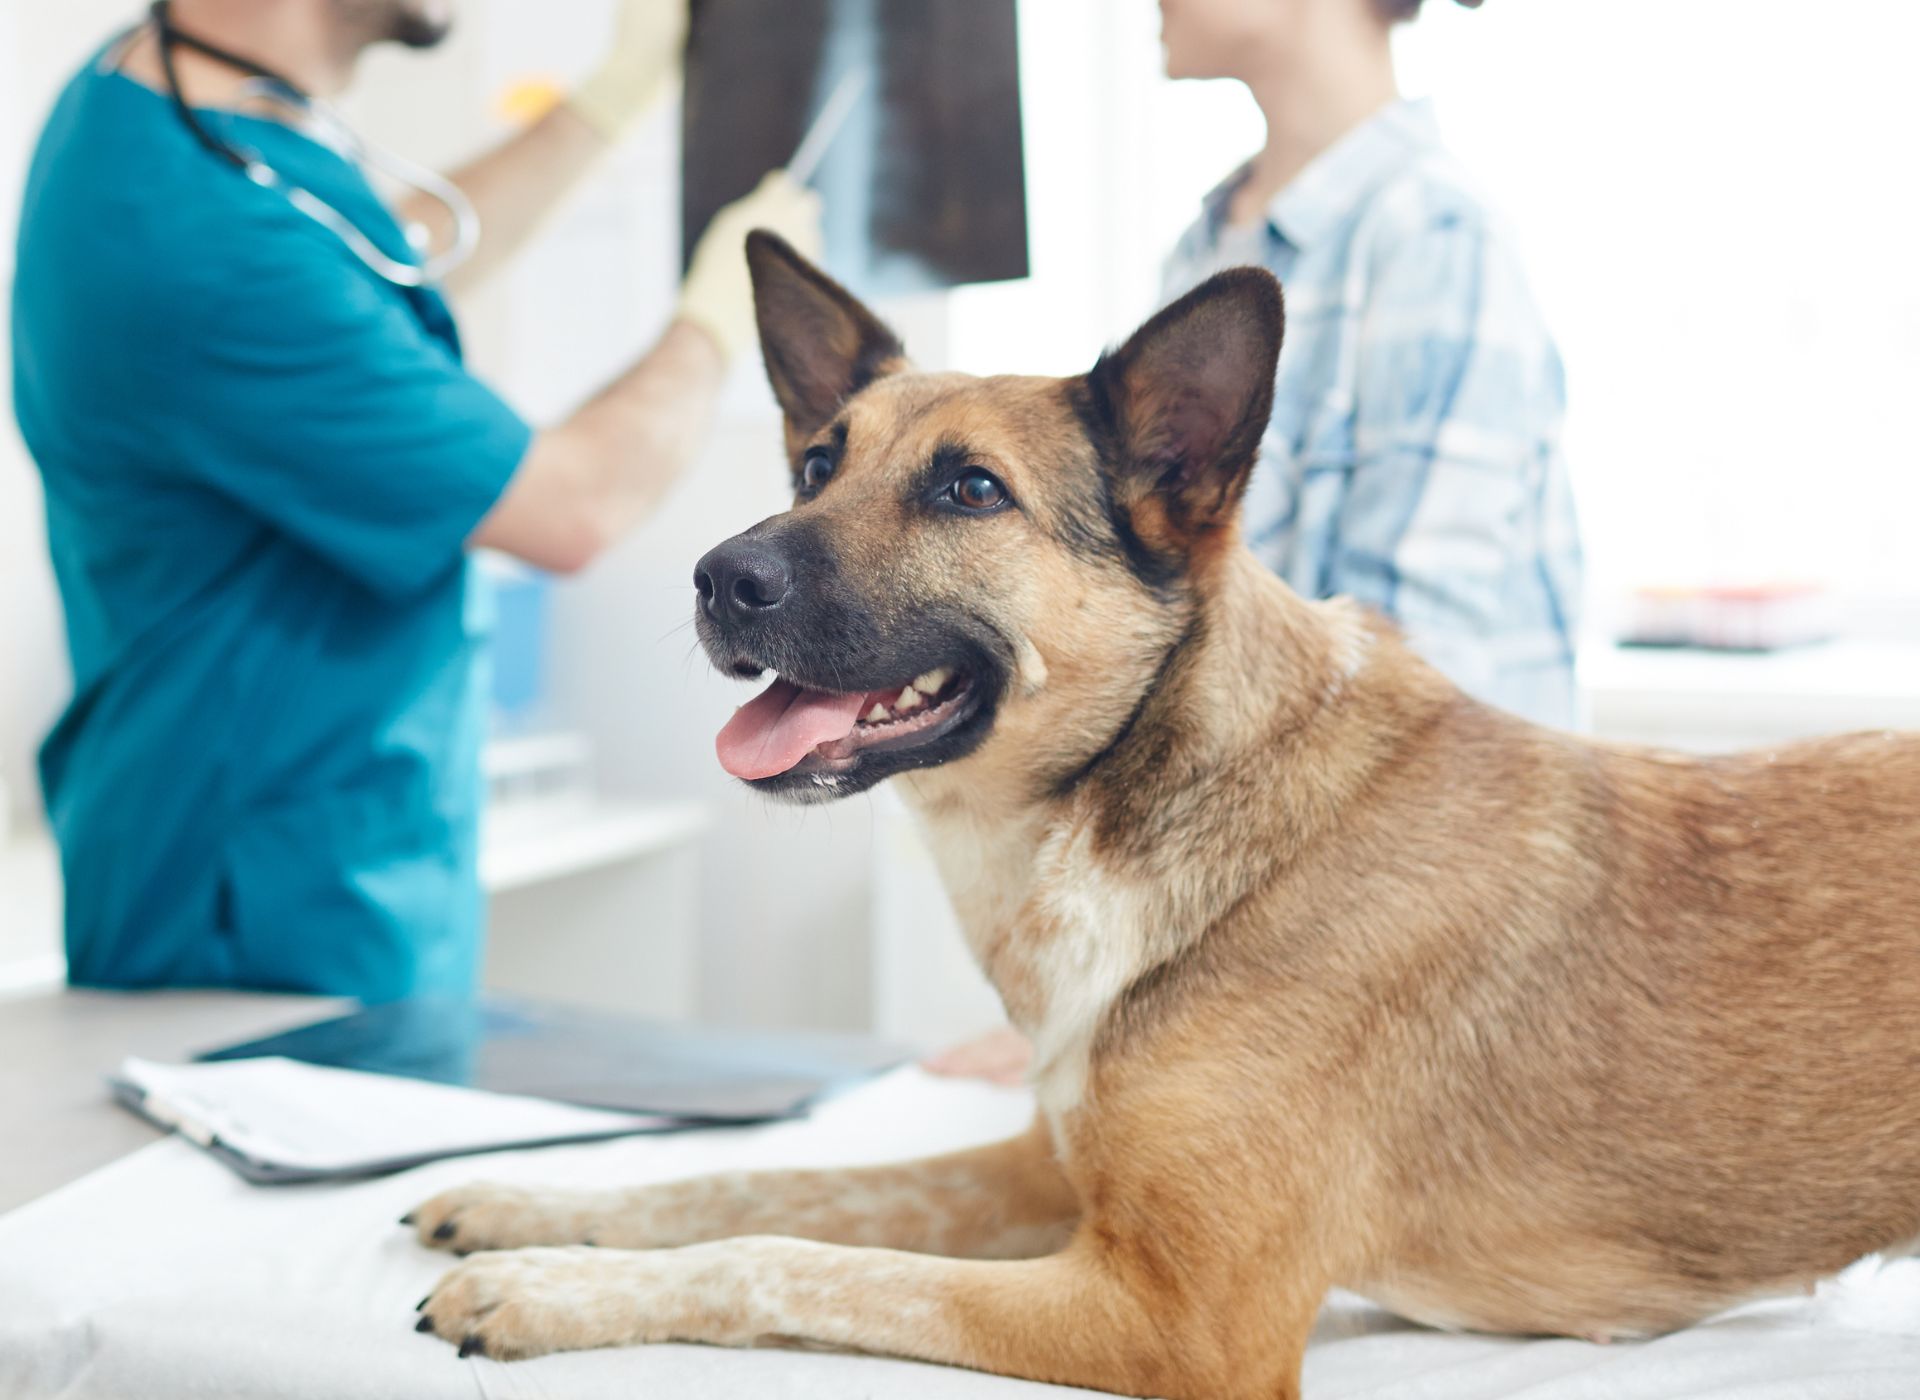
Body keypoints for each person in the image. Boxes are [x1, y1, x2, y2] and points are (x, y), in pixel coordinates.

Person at [11, 0, 821, 1000]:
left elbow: (373, 260)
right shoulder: (200, 241)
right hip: (250, 926)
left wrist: (603, 107)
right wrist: (721, 315)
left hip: (295, 860)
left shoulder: (158, 104)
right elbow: (572, 505)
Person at [928, 0, 1582, 1085]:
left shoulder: (1431, 238)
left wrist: (1148, 1014)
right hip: (1255, 911)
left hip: (1419, 930)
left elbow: (1423, 682)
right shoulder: (1212, 244)